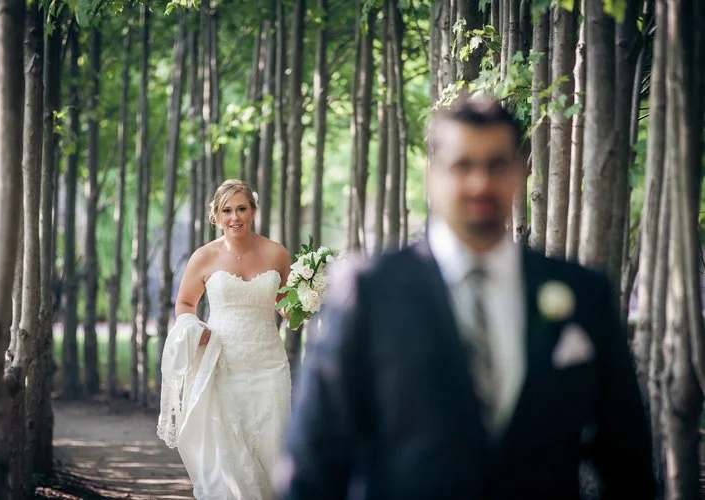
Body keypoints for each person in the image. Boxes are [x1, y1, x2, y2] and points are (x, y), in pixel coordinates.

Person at [275, 95, 655, 499]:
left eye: (496, 165)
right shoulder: (369, 291)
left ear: (519, 172)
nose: (480, 183)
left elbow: (626, 460)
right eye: (462, 166)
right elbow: (314, 461)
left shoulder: (583, 294)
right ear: (433, 175)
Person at [157, 179, 292, 500]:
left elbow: (285, 305)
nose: (235, 217)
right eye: (227, 210)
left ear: (254, 211)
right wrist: (194, 329)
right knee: (230, 455)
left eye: (242, 209)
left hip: (269, 364)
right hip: (222, 363)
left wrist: (308, 305)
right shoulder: (203, 257)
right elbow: (185, 303)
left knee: (273, 446)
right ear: (215, 216)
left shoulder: (276, 253)